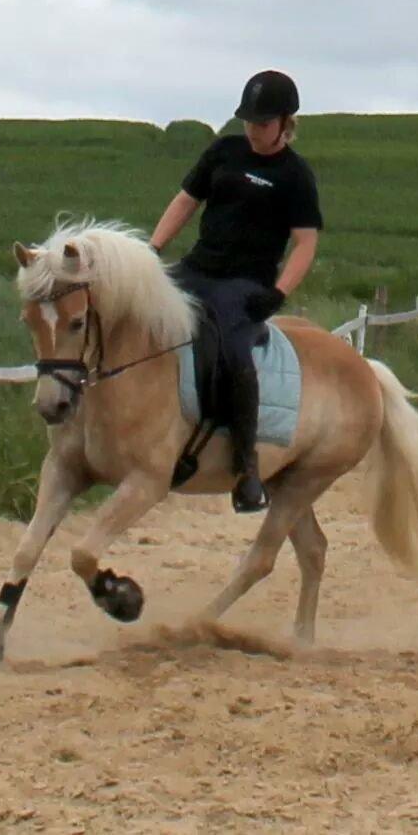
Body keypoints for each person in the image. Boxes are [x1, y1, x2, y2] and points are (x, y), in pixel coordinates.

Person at [149, 69, 323, 513]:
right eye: (248, 120)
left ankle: (246, 467)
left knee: (232, 352)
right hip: (197, 268)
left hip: (244, 285)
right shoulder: (224, 152)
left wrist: (278, 293)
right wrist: (152, 249)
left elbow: (305, 242)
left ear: (286, 123)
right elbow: (186, 200)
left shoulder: (295, 175)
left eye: (263, 123)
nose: (253, 130)